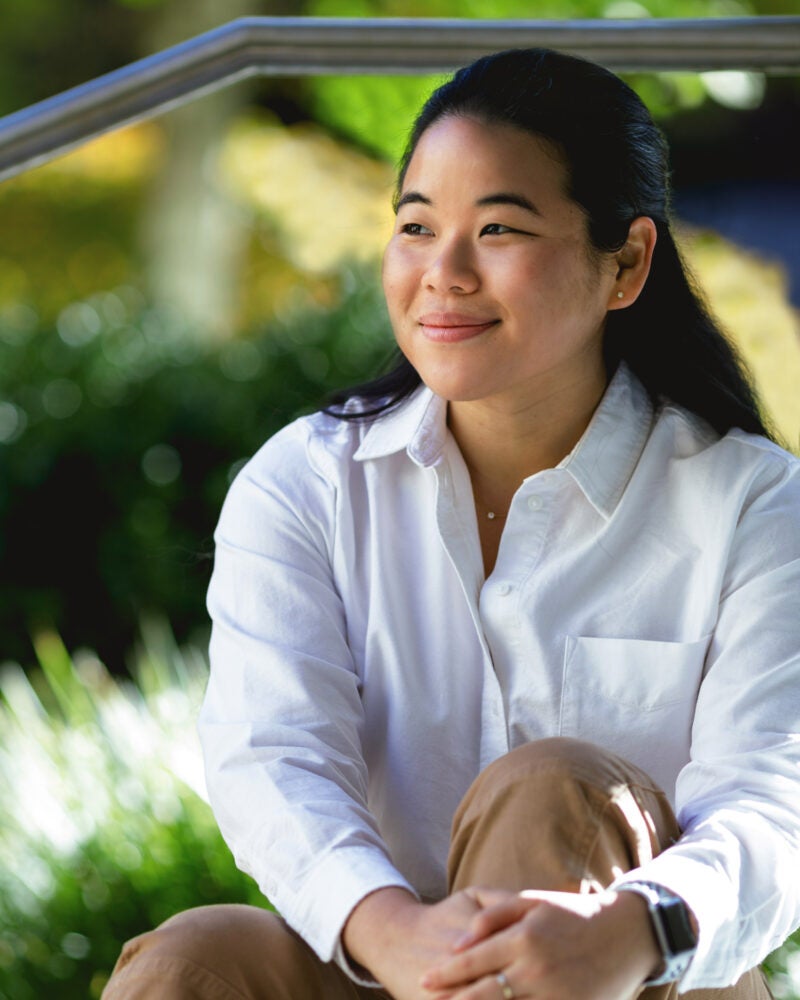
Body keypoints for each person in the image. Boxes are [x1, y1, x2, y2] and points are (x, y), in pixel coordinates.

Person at [103, 47, 800, 1000]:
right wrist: (393, 935)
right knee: (191, 965)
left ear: (627, 262)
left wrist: (637, 928)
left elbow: (777, 803)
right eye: (417, 226)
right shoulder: (306, 484)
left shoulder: (753, 504)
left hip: (644, 977)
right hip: (397, 965)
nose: (445, 272)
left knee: (549, 793)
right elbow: (274, 762)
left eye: (500, 229)